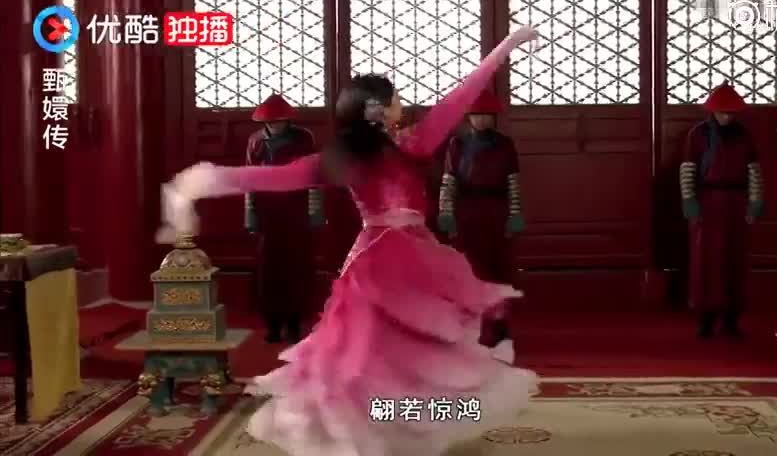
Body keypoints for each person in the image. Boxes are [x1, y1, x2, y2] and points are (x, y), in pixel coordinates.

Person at [156, 26, 540, 456]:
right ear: (376, 110)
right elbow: (272, 177)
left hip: (394, 258)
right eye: (394, 99)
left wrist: (504, 49)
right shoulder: (383, 150)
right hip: (388, 261)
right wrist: (204, 182)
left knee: (396, 356)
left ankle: (393, 430)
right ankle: (380, 431)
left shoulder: (399, 146)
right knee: (390, 356)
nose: (400, 104)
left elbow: (458, 100)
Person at [437, 91, 524, 360]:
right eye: (477, 115)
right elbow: (449, 181)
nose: (482, 120)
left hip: (497, 211)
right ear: (469, 117)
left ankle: (499, 327)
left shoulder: (505, 144)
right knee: (470, 270)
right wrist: (446, 212)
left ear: (494, 118)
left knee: (498, 270)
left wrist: (515, 213)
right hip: (468, 212)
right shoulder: (458, 144)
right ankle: (470, 329)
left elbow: (513, 182)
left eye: (487, 115)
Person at [679, 82, 764, 338]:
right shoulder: (698, 134)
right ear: (713, 111)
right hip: (708, 201)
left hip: (736, 202)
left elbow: (754, 170)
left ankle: (731, 319)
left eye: (731, 112)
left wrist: (755, 203)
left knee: (734, 260)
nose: (727, 116)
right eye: (723, 112)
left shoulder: (745, 135)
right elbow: (688, 169)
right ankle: (706, 318)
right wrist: (690, 203)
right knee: (706, 261)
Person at [245, 94, 324, 344]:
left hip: (296, 210)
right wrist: (251, 216)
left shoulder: (303, 138)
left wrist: (315, 213)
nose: (276, 125)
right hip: (268, 213)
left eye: (279, 120)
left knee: (296, 268)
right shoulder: (255, 141)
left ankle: (294, 324)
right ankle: (272, 324)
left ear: (288, 120)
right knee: (269, 270)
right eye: (271, 121)